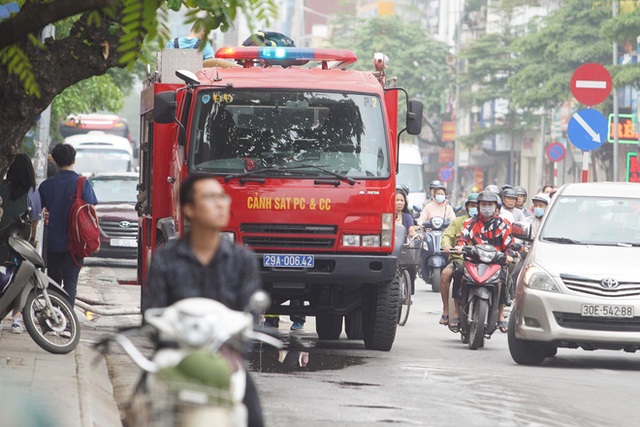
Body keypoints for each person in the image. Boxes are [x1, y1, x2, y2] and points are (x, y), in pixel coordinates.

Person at [141, 174, 264, 427]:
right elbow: (152, 312)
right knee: (140, 409)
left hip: (224, 359)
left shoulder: (243, 260)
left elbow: (249, 316)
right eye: (210, 197)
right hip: (176, 357)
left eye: (222, 197)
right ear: (189, 209)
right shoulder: (166, 259)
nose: (220, 204)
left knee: (254, 416)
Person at [39, 143, 98, 307]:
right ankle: (67, 324)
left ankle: (53, 319)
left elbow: (37, 211)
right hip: (76, 243)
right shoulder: (82, 183)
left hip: (53, 242)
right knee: (70, 283)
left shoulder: (47, 185)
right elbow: (91, 211)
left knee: (53, 282)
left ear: (55, 161)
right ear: (74, 160)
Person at [453, 190, 513, 333]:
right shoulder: (470, 223)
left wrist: (509, 255)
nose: (487, 207)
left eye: (490, 204)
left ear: (496, 207)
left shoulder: (504, 224)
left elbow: (509, 245)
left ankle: (499, 315)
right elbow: (462, 238)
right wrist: (460, 247)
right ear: (478, 206)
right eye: (484, 204)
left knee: (503, 280)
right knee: (458, 273)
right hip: (473, 260)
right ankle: (456, 312)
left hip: (495, 262)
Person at [0, 153, 42, 333]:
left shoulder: (2, 187)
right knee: (21, 279)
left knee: (2, 277)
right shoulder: (32, 191)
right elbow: (35, 219)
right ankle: (17, 318)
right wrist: (33, 238)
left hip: (2, 240)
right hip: (20, 243)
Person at [438, 192, 478, 326]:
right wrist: (447, 245)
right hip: (459, 260)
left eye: (477, 206)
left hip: (480, 262)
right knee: (445, 275)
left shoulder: (486, 224)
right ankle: (446, 310)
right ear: (466, 207)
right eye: (472, 206)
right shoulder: (458, 222)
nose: (475, 209)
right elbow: (446, 236)